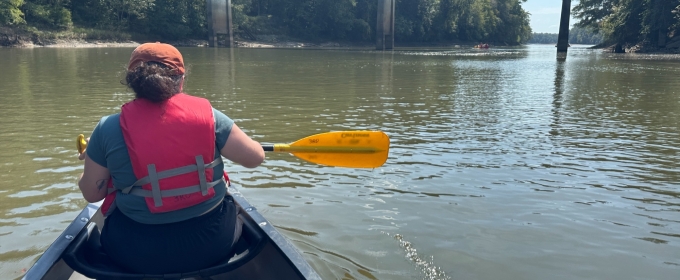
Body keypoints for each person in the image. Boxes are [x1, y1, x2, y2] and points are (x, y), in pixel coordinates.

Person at [77, 42, 265, 274]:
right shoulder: (210, 117)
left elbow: (92, 193)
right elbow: (255, 158)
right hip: (211, 246)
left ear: (132, 81)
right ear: (181, 79)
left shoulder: (106, 129)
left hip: (136, 252)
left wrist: (87, 171)